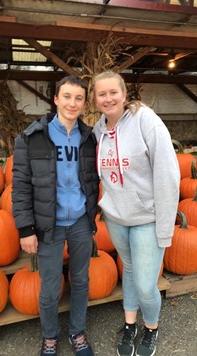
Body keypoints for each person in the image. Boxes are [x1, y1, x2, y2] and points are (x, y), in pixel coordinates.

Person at [92, 71, 180, 356]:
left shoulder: (146, 121)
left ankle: (151, 328)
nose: (108, 98)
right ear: (95, 99)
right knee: (128, 270)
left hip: (147, 219)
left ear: (124, 93)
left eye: (113, 92)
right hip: (116, 219)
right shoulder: (98, 130)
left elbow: (167, 174)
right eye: (101, 94)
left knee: (145, 284)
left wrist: (165, 227)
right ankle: (130, 324)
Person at [12, 75, 99, 356]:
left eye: (78, 98)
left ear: (85, 103)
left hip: (80, 224)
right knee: (49, 288)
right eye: (67, 96)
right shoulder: (32, 138)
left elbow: (95, 178)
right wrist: (25, 229)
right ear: (55, 99)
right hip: (47, 226)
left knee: (82, 281)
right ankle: (50, 338)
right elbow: (21, 185)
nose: (72, 103)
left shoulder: (88, 138)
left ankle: (77, 333)